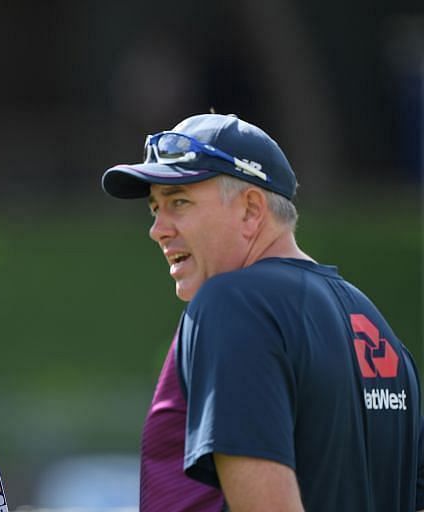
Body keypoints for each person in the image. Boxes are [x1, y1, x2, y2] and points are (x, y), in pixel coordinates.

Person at [101, 113, 423, 511]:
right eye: (155, 208)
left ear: (252, 211)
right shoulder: (376, 328)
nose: (158, 229)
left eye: (179, 202)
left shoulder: (234, 305)